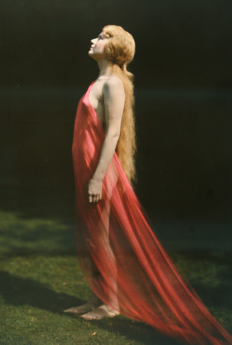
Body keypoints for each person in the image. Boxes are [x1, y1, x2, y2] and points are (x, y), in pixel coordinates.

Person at [64, 25, 232, 345]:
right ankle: (97, 297)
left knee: (100, 237)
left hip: (98, 170)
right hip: (86, 167)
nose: (93, 39)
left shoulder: (113, 84)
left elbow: (113, 133)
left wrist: (98, 177)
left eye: (101, 37)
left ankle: (111, 305)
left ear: (115, 48)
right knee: (92, 237)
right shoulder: (101, 81)